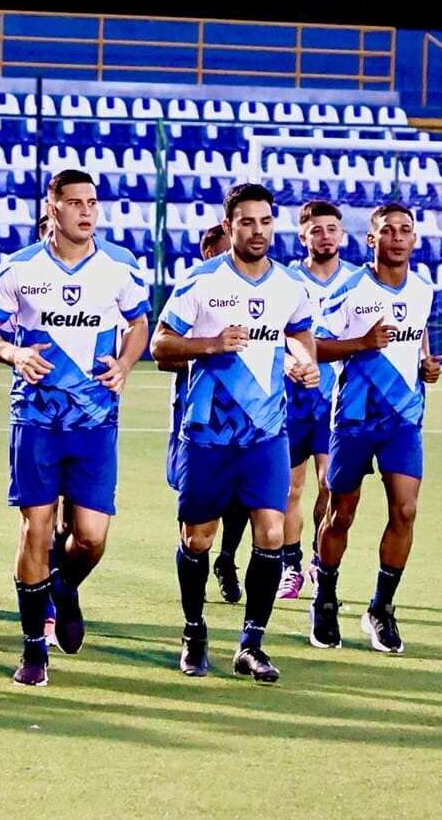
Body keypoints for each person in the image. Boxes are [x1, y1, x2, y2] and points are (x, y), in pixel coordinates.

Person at [0, 168, 150, 687]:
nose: (87, 211)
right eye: (74, 202)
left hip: (96, 421)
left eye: (92, 202)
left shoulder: (118, 266)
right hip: (38, 420)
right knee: (37, 529)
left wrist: (125, 364)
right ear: (53, 208)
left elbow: (138, 324)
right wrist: (12, 351)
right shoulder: (19, 269)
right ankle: (32, 650)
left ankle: (63, 586)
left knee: (91, 537)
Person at [151, 182, 318, 684]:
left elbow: (301, 333)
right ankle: (194, 630)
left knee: (270, 530)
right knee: (198, 539)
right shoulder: (200, 282)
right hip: (207, 434)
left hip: (267, 433)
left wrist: (303, 362)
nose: (258, 231)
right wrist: (210, 343)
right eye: (247, 222)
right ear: (230, 226)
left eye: (266, 221)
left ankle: (252, 643)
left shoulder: (289, 285)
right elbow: (160, 345)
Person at [309, 202, 440, 654]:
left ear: (414, 239)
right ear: (372, 239)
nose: (399, 237)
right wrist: (362, 343)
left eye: (406, 230)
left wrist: (425, 365)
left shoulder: (423, 289)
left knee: (405, 510)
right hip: (354, 420)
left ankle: (381, 608)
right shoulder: (350, 289)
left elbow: (417, 334)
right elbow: (316, 346)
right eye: (389, 230)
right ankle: (325, 598)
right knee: (340, 512)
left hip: (404, 421)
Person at [160, 224, 249, 605]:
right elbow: (166, 357)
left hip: (243, 410)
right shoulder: (194, 294)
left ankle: (227, 558)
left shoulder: (250, 296)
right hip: (196, 409)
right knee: (193, 495)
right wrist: (208, 348)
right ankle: (197, 553)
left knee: (242, 495)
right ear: (208, 254)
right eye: (221, 251)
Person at [278, 201, 358, 600]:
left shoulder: (359, 281)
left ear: (341, 235)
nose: (325, 235)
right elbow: (271, 333)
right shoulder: (286, 280)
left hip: (337, 399)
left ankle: (317, 557)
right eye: (317, 229)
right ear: (302, 236)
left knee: (331, 483)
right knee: (291, 488)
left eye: (332, 229)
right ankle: (289, 566)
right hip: (291, 399)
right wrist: (292, 360)